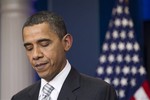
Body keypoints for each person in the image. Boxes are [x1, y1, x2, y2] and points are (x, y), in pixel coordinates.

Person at [11, 11, 118, 100]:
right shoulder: (19, 98)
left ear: (66, 43)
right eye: (29, 48)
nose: (35, 55)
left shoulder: (100, 93)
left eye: (44, 44)